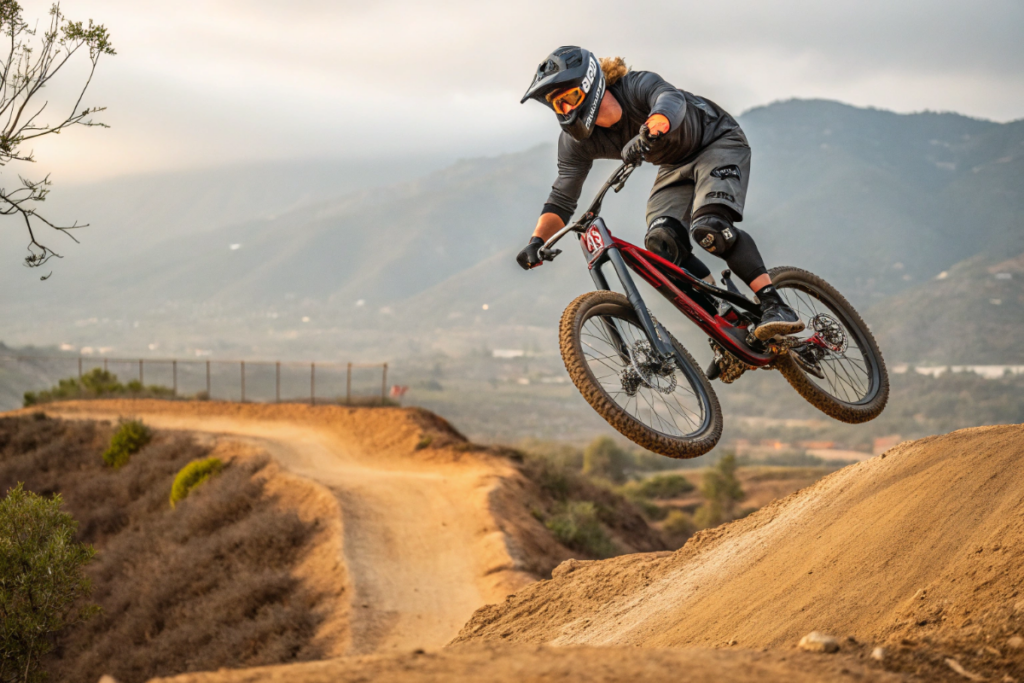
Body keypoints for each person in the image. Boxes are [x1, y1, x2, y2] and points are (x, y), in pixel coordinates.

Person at [516, 46, 803, 341]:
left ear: (589, 83)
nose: (565, 110)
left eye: (569, 99)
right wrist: (536, 242)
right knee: (662, 246)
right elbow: (562, 196)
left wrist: (652, 127)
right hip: (674, 166)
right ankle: (728, 322)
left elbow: (670, 100)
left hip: (717, 141)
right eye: (557, 106)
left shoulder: (635, 86)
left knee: (709, 228)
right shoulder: (576, 143)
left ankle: (775, 304)